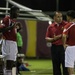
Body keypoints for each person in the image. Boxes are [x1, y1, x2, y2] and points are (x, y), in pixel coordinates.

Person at [45, 11, 68, 75]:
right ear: (54, 18)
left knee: (66, 66)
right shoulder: (51, 27)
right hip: (55, 48)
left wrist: (61, 36)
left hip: (64, 47)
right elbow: (47, 38)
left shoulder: (66, 24)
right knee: (56, 66)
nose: (60, 18)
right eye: (58, 17)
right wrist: (53, 39)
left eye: (61, 17)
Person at [1, 6, 19, 75]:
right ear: (12, 12)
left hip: (13, 43)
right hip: (8, 43)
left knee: (12, 64)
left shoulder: (13, 20)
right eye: (17, 12)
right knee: (9, 64)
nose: (18, 14)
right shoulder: (6, 19)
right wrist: (11, 27)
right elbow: (1, 29)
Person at [62, 10, 75, 75]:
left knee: (70, 66)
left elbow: (64, 36)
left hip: (71, 47)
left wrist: (64, 44)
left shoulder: (68, 25)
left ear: (69, 17)